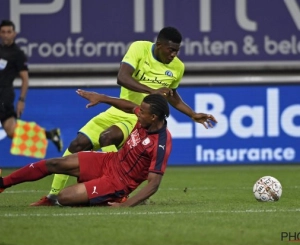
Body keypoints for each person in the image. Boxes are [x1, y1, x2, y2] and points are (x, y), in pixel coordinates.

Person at [31, 26, 214, 206]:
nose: (174, 54)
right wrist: (152, 91)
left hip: (139, 118)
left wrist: (192, 114)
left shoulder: (177, 67)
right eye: (171, 50)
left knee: (107, 137)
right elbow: (122, 77)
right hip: (119, 109)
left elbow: (171, 95)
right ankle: (52, 196)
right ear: (159, 45)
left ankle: (115, 189)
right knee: (77, 144)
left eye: (177, 50)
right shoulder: (139, 48)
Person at [0, 90, 217, 207]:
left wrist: (127, 205)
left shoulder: (161, 142)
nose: (137, 113)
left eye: (142, 112)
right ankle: (3, 184)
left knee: (64, 198)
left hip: (117, 183)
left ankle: (112, 198)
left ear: (154, 117)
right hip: (109, 161)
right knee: (55, 163)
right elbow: (126, 104)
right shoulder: (145, 117)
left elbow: (154, 184)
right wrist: (101, 98)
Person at [0, 20, 63, 152]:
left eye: (8, 32)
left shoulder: (17, 54)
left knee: (11, 130)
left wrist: (21, 100)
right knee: (11, 131)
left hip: (4, 97)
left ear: (14, 34)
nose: (6, 35)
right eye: (3, 32)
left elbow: (25, 79)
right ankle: (49, 135)